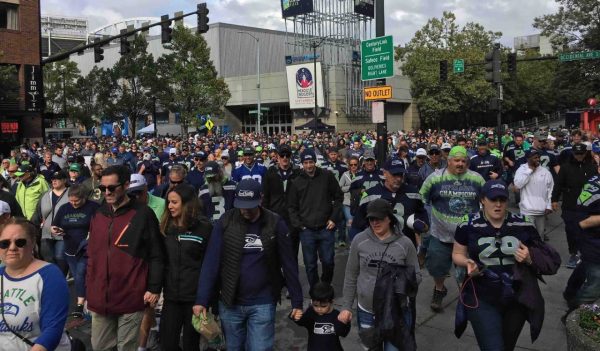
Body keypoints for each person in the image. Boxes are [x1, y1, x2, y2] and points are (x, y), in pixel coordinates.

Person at [194, 179, 303, 351]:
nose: (244, 209)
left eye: (249, 205)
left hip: (263, 301)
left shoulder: (275, 223)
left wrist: (297, 300)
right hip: (230, 302)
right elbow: (211, 263)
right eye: (241, 204)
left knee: (260, 347)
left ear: (260, 199)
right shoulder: (225, 222)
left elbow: (288, 264)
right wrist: (201, 299)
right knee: (234, 347)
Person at [453, 180, 560, 351]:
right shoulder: (468, 224)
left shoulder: (523, 223)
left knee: (507, 347)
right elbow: (457, 253)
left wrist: (529, 258)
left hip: (516, 297)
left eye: (502, 200)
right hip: (482, 295)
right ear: (482, 200)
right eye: (493, 199)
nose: (498, 204)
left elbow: (547, 259)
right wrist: (467, 263)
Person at [86, 165, 165, 351]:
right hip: (100, 297)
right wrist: (88, 288)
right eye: (102, 188)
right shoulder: (98, 214)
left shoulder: (143, 214)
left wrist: (154, 288)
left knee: (126, 347)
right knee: (99, 346)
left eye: (112, 188)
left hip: (130, 296)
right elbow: (92, 254)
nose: (107, 192)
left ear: (126, 185)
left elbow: (156, 254)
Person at [340, 199, 421, 350]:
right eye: (371, 219)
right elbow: (351, 275)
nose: (375, 223)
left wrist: (399, 281)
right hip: (366, 311)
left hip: (395, 313)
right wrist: (346, 306)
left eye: (379, 219)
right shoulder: (359, 241)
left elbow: (417, 275)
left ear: (389, 218)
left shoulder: (405, 244)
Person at [420, 146, 485, 312]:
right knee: (436, 266)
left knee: (467, 269)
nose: (460, 164)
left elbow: (487, 201)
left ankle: (466, 294)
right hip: (440, 234)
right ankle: (439, 289)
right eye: (456, 160)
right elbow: (422, 198)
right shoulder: (435, 178)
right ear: (448, 161)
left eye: (464, 161)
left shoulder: (476, 179)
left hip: (467, 237)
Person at [0, 218, 71, 350]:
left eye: (20, 242)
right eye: (4, 243)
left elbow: (52, 329)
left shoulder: (50, 275)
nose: (12, 247)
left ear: (32, 243)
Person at [159, 184, 212, 351]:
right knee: (167, 344)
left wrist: (205, 299)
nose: (170, 206)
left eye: (174, 202)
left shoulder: (204, 228)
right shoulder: (165, 227)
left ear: (187, 203)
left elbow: (209, 266)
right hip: (171, 298)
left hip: (194, 300)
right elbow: (159, 260)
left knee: (191, 345)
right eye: (168, 202)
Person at [288, 149, 344, 289]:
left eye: (311, 162)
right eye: (306, 163)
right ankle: (315, 291)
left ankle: (325, 287)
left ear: (315, 162)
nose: (309, 166)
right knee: (310, 264)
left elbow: (338, 197)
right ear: (302, 164)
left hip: (326, 227)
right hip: (306, 230)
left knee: (328, 261)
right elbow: (291, 207)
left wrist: (333, 218)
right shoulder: (296, 181)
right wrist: (299, 225)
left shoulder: (327, 176)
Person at [51, 184, 99, 319]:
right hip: (70, 248)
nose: (73, 204)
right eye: (71, 201)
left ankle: (80, 303)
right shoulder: (64, 208)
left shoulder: (93, 207)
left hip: (87, 248)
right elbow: (55, 225)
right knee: (79, 276)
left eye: (76, 201)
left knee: (80, 273)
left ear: (84, 198)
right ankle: (86, 300)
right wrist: (56, 230)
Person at [552, 143, 598, 268]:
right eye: (576, 154)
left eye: (581, 154)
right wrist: (554, 200)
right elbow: (558, 184)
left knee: (587, 230)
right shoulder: (565, 167)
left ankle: (586, 254)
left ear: (585, 153)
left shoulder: (592, 167)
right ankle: (573, 253)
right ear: (573, 153)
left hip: (588, 206)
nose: (579, 156)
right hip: (570, 205)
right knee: (571, 230)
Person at [262, 144, 302, 253]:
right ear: (278, 157)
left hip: (293, 217)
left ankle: (292, 269)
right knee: (275, 249)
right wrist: (265, 215)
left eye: (287, 155)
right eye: (282, 155)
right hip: (275, 215)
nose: (285, 158)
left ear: (290, 156)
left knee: (292, 248)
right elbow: (265, 196)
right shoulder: (270, 172)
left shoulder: (298, 172)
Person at [30, 170, 70, 275]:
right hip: (46, 233)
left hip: (63, 234)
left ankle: (61, 279)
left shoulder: (70, 194)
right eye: (52, 179)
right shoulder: (45, 195)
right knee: (48, 259)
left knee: (60, 257)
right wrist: (30, 228)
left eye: (58, 179)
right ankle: (52, 278)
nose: (54, 181)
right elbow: (37, 214)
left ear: (64, 180)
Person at [292, 282, 351, 351]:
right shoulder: (311, 313)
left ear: (331, 302)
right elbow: (303, 321)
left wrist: (345, 322)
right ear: (311, 301)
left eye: (323, 306)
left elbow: (343, 333)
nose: (319, 309)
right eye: (315, 305)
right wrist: (296, 316)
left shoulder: (337, 315)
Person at [514, 149, 554, 240]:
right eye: (534, 158)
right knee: (527, 237)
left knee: (540, 237)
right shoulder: (521, 170)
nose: (537, 159)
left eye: (538, 157)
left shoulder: (545, 172)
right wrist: (529, 171)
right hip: (526, 211)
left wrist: (548, 205)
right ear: (528, 159)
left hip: (541, 211)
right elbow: (518, 185)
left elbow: (550, 189)